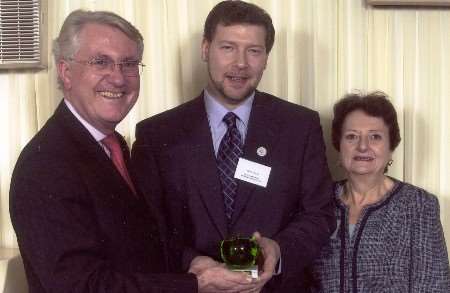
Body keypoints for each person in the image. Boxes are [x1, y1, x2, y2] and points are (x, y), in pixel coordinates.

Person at [132, 1, 335, 292]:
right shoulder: (157, 134)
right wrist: (191, 263)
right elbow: (148, 227)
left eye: (253, 51)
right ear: (205, 49)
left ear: (266, 58)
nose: (241, 63)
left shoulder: (299, 127)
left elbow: (320, 214)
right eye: (228, 47)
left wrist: (278, 251)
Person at [9, 10, 200, 292]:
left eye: (129, 64)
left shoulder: (114, 146)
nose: (119, 79)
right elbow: (82, 287)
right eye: (101, 62)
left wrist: (193, 262)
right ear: (66, 72)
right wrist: (196, 284)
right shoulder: (44, 165)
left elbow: (143, 241)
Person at [309, 92, 450, 292]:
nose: (363, 146)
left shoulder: (418, 205)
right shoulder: (318, 201)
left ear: (391, 147)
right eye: (352, 136)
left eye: (375, 136)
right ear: (338, 146)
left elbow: (434, 285)